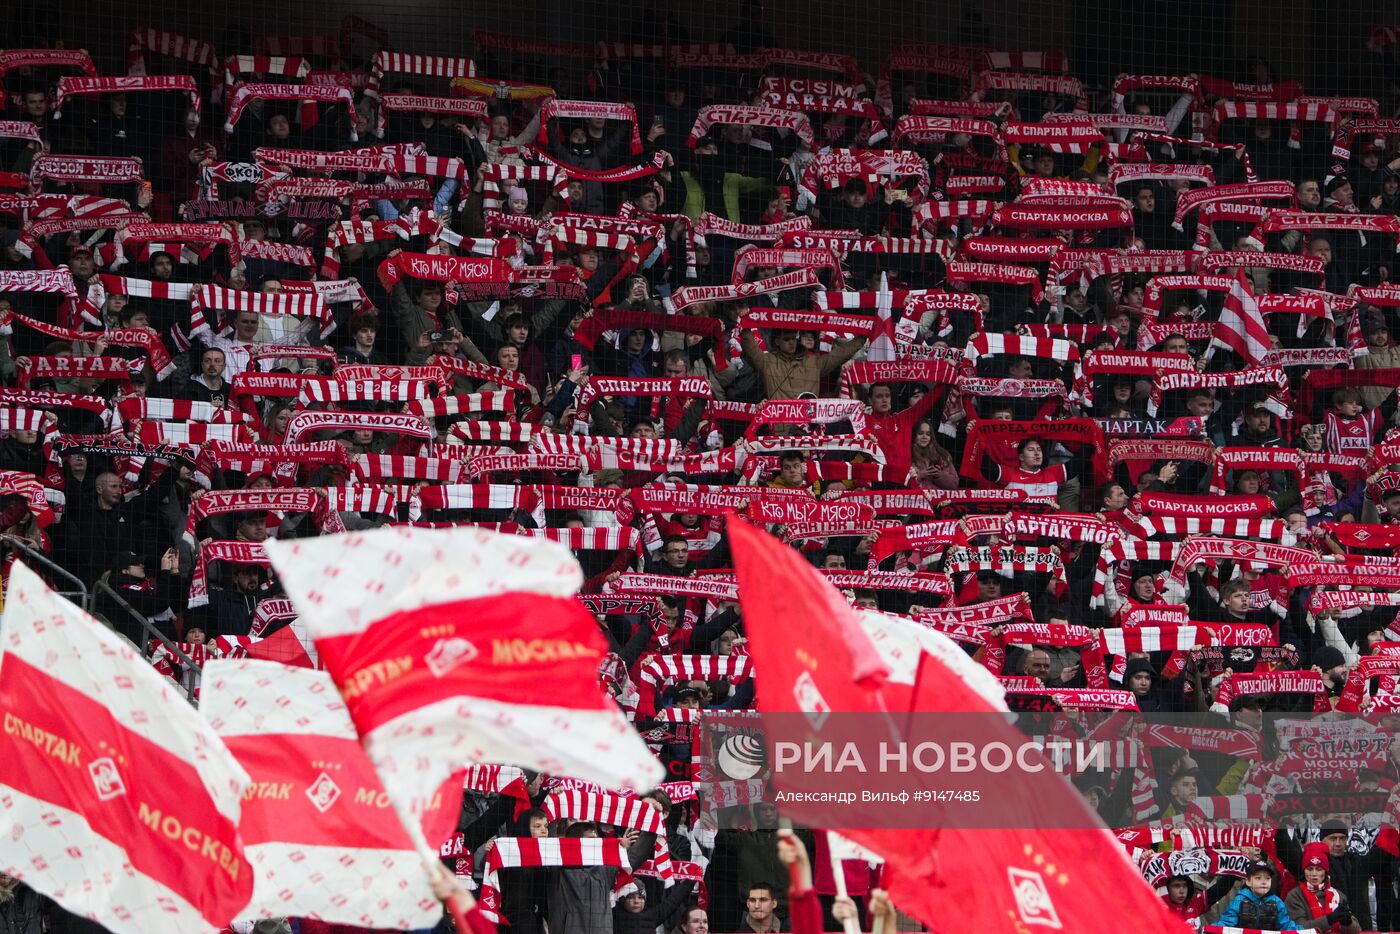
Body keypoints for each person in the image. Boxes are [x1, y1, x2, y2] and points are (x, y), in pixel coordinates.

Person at [1284, 843, 1359, 932]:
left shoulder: (1338, 895)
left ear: (1325, 871)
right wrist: (1329, 919)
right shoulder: (1294, 896)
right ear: (1304, 871)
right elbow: (1298, 928)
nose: (1314, 874)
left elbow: (1357, 930)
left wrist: (1348, 923)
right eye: (1310, 869)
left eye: (1319, 869)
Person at [1218, 862, 1299, 929]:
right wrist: (1212, 929)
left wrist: (1304, 931)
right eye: (1258, 878)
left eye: (1267, 878)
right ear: (1248, 882)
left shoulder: (1277, 902)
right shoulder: (1239, 900)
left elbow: (1286, 925)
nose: (1264, 882)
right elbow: (1226, 923)